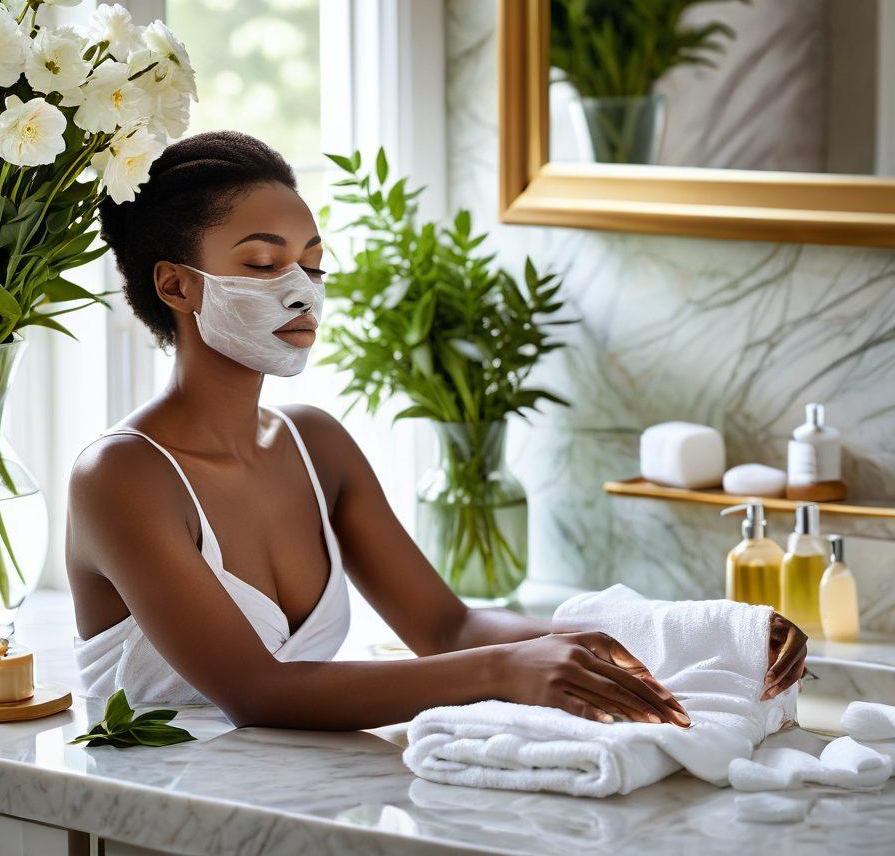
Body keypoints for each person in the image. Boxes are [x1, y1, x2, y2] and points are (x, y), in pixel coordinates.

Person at [66, 130, 806, 730]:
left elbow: (449, 630)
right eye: (264, 263)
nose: (301, 292)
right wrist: (504, 672)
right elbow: (258, 692)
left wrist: (703, 631)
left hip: (306, 805)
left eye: (314, 265)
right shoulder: (122, 477)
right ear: (177, 285)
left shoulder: (314, 444)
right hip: (150, 819)